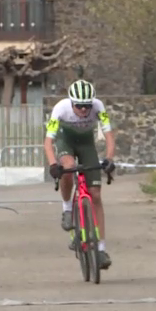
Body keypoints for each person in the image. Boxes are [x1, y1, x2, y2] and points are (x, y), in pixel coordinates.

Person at [44, 80, 116, 270]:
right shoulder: (60, 109)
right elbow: (48, 142)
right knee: (68, 167)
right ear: (71, 102)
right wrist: (53, 165)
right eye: (79, 106)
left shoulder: (99, 106)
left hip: (86, 144)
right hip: (65, 142)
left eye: (87, 106)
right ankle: (67, 208)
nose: (84, 110)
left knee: (96, 195)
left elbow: (109, 135)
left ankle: (100, 249)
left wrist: (109, 159)